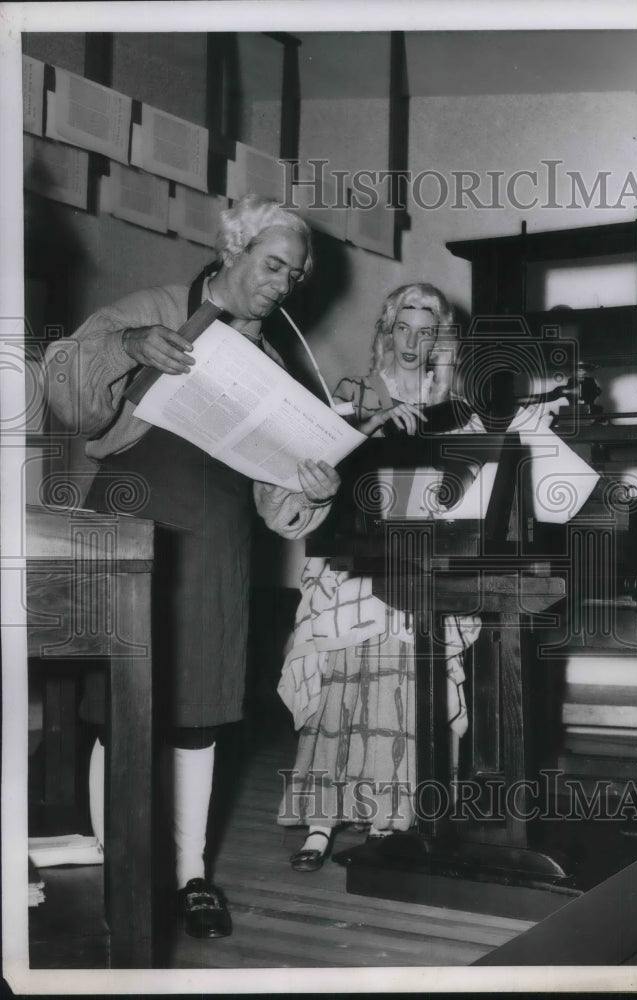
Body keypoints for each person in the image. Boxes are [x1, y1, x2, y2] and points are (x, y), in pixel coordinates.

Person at [44, 196, 341, 939]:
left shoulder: (274, 364)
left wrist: (309, 490)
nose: (282, 284)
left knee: (199, 715)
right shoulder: (147, 308)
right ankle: (117, 864)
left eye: (294, 275)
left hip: (215, 543)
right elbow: (62, 392)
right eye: (272, 265)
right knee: (119, 710)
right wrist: (133, 346)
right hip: (129, 521)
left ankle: (190, 875)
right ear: (231, 249)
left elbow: (278, 508)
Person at [277, 283, 482, 871]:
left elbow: (468, 484)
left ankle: (390, 820)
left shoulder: (457, 406)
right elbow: (318, 464)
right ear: (386, 331)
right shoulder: (352, 392)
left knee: (402, 682)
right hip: (352, 558)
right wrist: (374, 422)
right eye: (403, 327)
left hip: (420, 562)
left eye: (427, 331)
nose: (413, 341)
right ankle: (320, 823)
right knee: (341, 681)